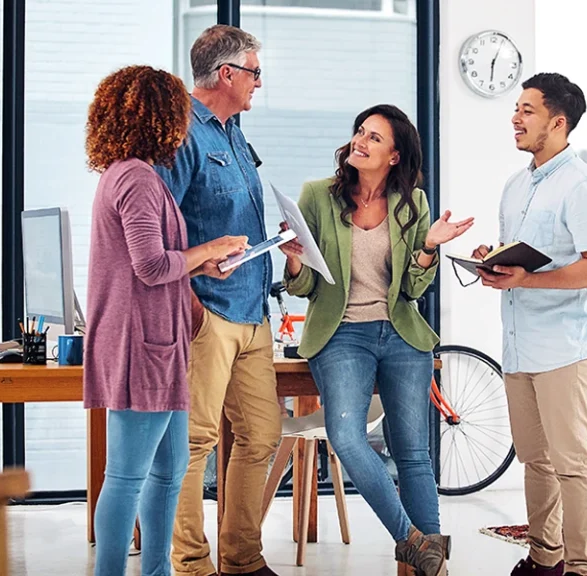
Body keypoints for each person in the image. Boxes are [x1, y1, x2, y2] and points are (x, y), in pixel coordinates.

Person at [280, 104, 473, 576]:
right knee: (347, 436)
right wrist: (293, 260)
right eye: (359, 133)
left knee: (412, 451)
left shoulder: (415, 204)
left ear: (394, 156)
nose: (359, 142)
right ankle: (412, 542)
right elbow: (304, 288)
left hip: (401, 333)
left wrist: (429, 247)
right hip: (342, 332)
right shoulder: (317, 197)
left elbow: (411, 289)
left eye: (373, 138)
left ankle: (429, 568)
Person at [83, 65, 248, 576]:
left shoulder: (139, 175)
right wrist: (209, 248)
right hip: (141, 345)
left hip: (161, 346)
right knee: (129, 475)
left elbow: (164, 261)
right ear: (161, 116)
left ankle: (156, 571)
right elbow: (150, 266)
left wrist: (203, 261)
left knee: (171, 471)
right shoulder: (134, 178)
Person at [472, 73, 587, 576]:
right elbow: (529, 260)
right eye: (517, 107)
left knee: (570, 462)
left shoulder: (583, 186)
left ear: (558, 122)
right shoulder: (516, 186)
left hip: (566, 346)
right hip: (520, 342)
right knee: (535, 459)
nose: (516, 117)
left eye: (528, 110)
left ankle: (581, 566)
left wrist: (524, 282)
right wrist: (494, 259)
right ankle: (544, 557)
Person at [154, 25, 282, 576]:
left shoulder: (232, 131)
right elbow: (156, 234)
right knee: (196, 442)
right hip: (209, 312)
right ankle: (191, 563)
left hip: (253, 311)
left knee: (261, 435)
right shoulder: (180, 135)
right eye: (254, 71)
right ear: (227, 74)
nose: (260, 82)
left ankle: (242, 559)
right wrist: (192, 308)